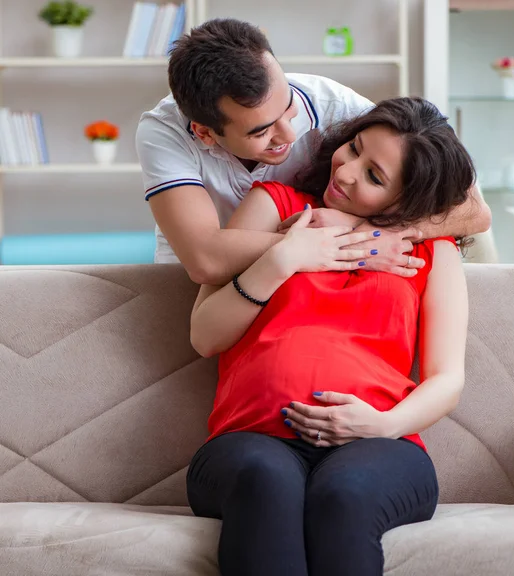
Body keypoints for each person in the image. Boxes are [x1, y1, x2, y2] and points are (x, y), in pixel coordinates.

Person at [186, 97, 472, 576]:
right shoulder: (273, 207)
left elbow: (447, 379)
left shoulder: (432, 253)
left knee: (345, 494)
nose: (346, 171)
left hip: (380, 446)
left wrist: (381, 425)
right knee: (265, 480)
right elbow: (204, 335)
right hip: (250, 440)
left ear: (407, 201)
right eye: (354, 148)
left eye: (374, 177)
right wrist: (286, 256)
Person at [135, 18, 491, 285]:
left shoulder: (333, 103)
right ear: (205, 133)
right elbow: (206, 259)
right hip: (195, 287)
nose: (289, 134)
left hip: (305, 279)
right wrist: (341, 241)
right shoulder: (164, 132)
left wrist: (363, 227)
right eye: (262, 131)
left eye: (288, 108)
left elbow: (474, 211)